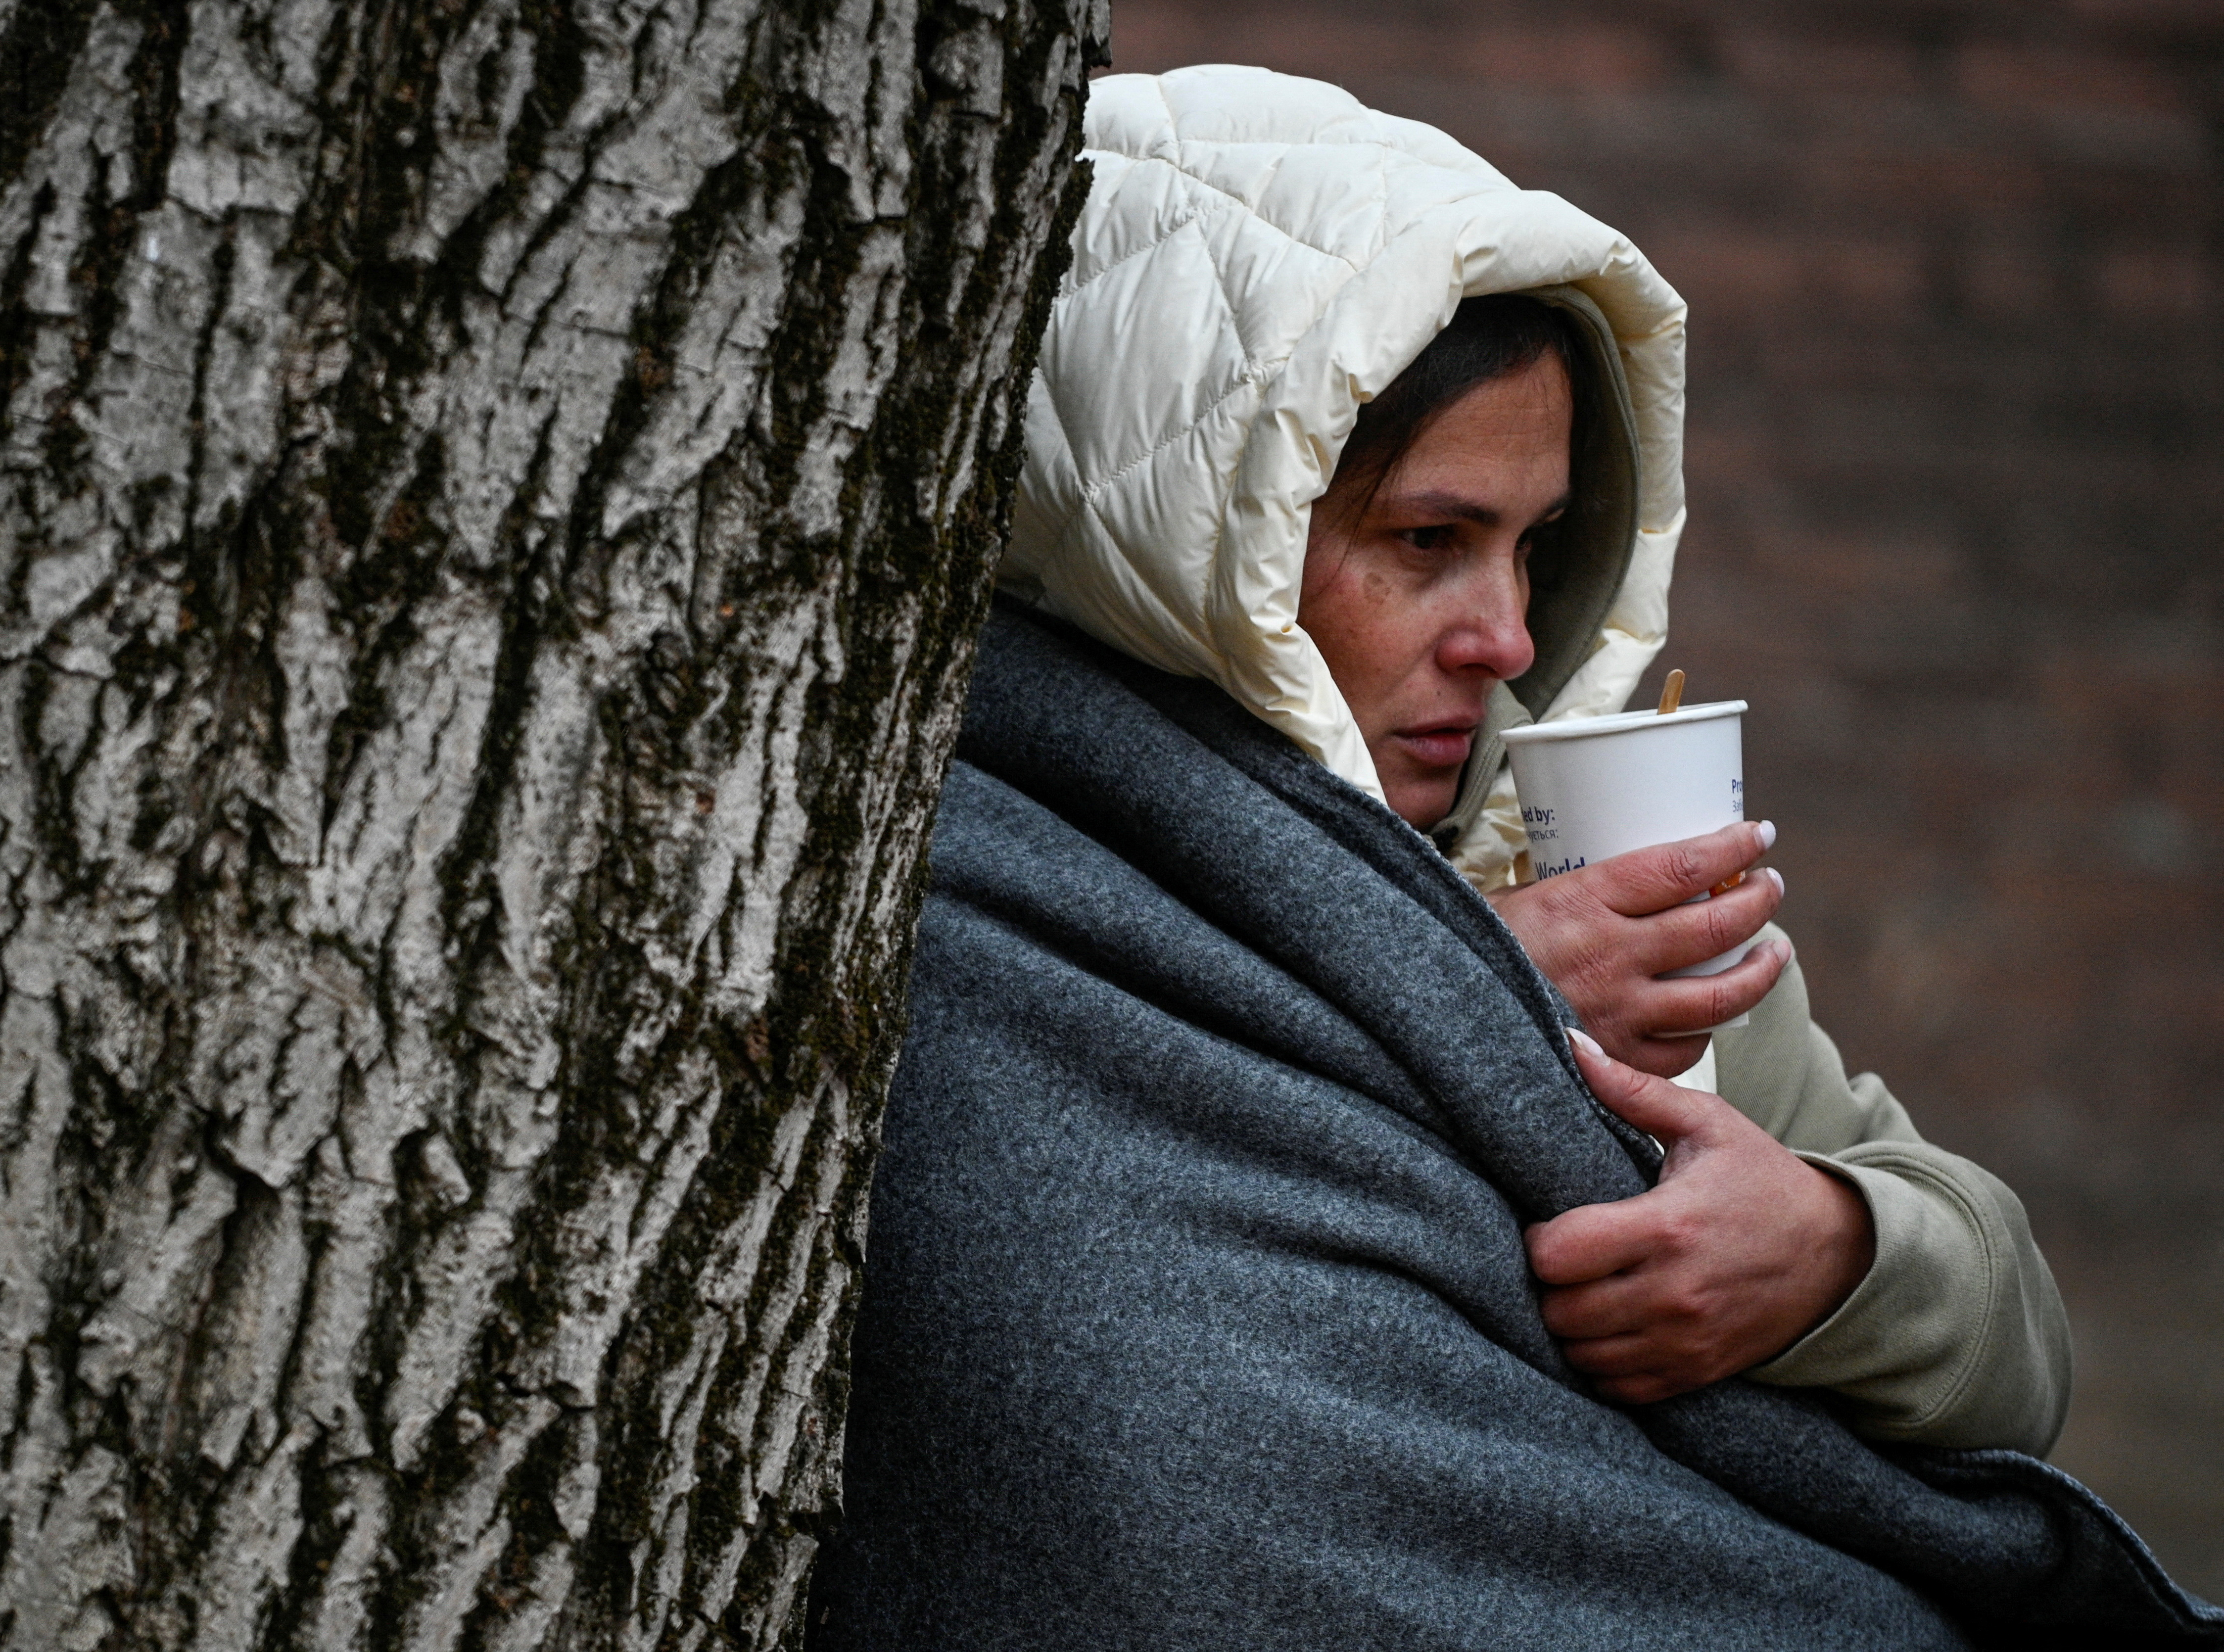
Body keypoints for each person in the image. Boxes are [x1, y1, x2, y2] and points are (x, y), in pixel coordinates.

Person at [812, 64, 2219, 1651]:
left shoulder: (1565, 845)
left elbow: (2014, 1337)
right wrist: (1471, 1014)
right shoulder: (949, 860)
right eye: (1427, 542)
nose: (1505, 636)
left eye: (1535, 545)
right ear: (1207, 542)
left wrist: (1828, 1247)